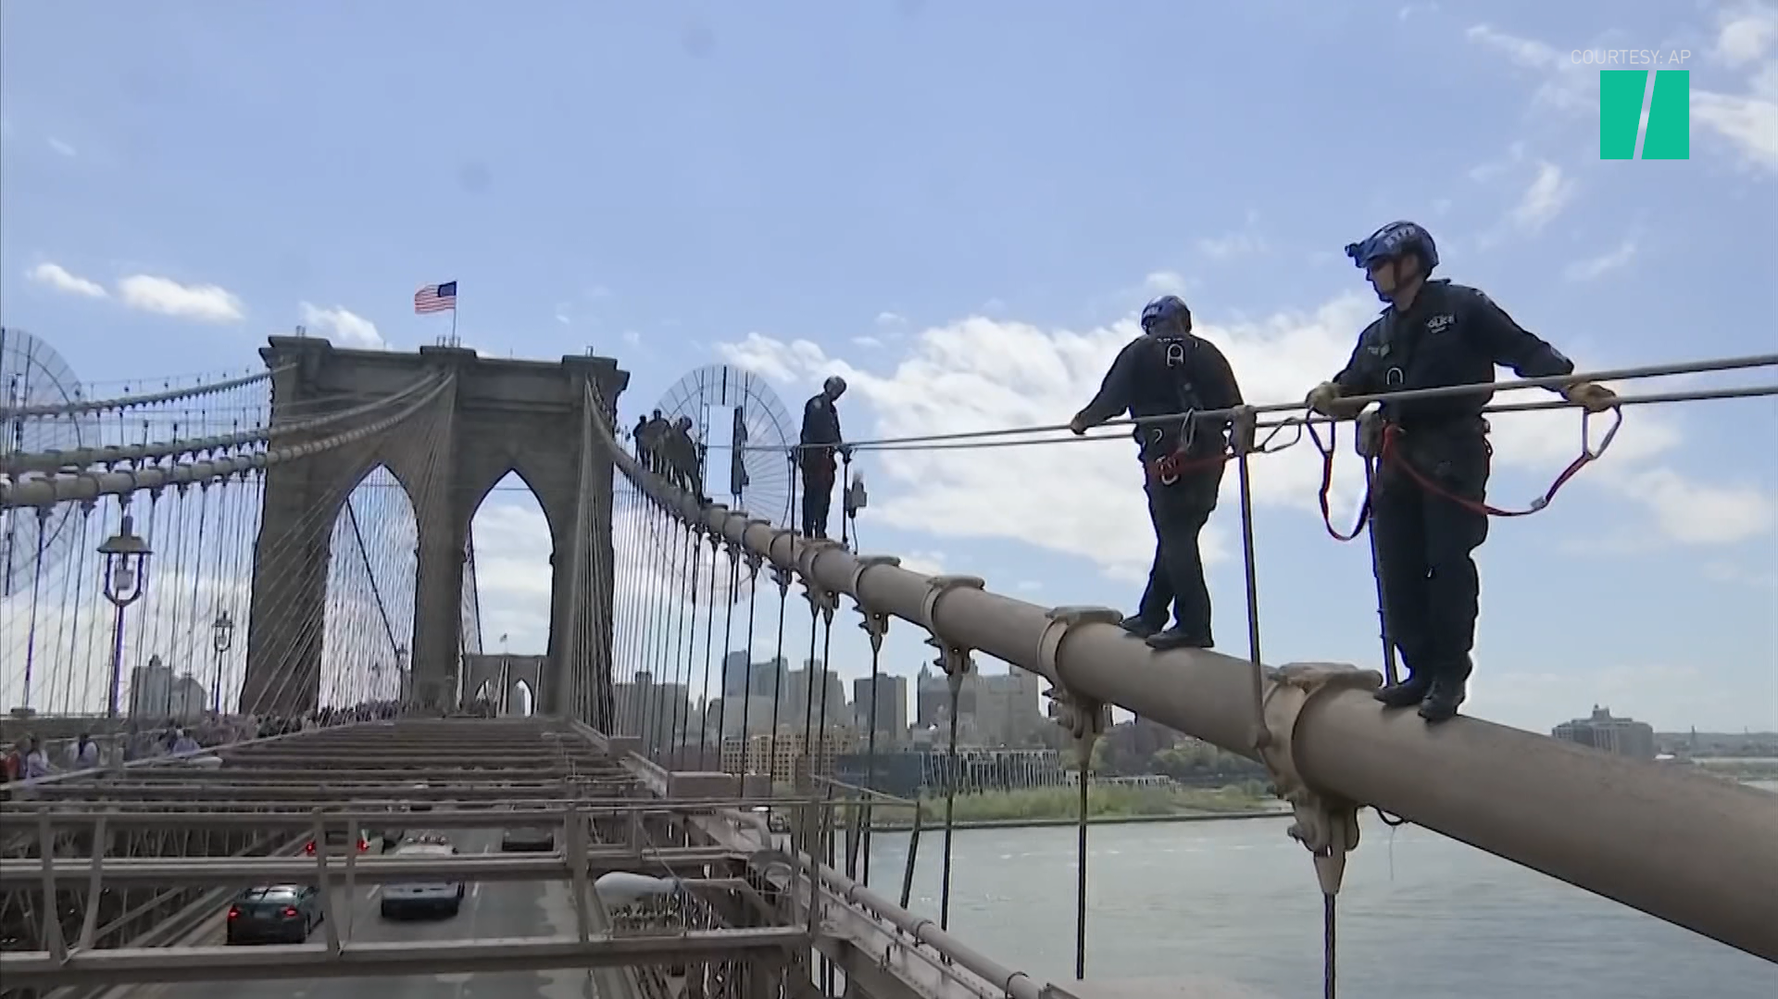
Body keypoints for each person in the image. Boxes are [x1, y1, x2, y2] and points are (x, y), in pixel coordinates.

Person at [1306, 220, 1617, 722]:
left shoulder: (1463, 307)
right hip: (1396, 460)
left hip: (1452, 451)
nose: (1371, 276)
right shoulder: (1378, 335)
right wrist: (1331, 395)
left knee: (1448, 565)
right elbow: (1353, 388)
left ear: (1410, 263)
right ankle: (1420, 671)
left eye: (1378, 264)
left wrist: (1570, 386)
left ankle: (1449, 676)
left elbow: (1523, 349)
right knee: (1396, 570)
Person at [1070, 294, 1244, 651]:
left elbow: (1111, 401)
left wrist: (1082, 420)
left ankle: (1194, 623)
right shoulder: (1208, 353)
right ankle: (1151, 613)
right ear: (1184, 321)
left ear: (1150, 324)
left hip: (1167, 462)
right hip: (1209, 461)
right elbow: (1234, 409)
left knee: (1176, 537)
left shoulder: (1139, 352)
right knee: (1177, 536)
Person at [798, 375, 850, 539]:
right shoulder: (816, 405)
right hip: (813, 459)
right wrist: (837, 445)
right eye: (837, 390)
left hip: (825, 460)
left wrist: (842, 448)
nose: (837, 394)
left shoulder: (832, 410)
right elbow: (821, 431)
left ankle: (820, 529)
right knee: (812, 494)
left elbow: (835, 433)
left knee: (824, 495)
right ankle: (808, 530)